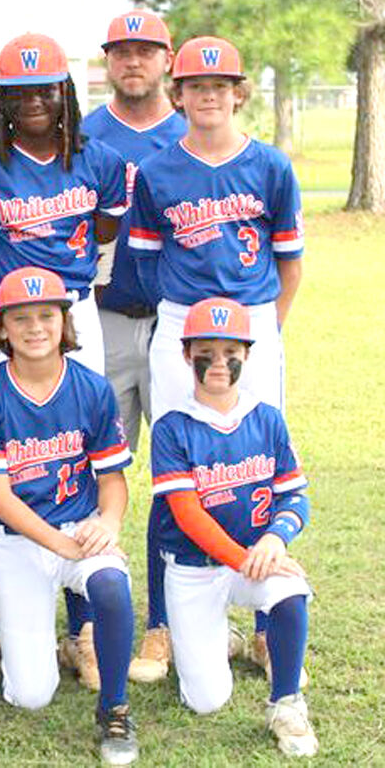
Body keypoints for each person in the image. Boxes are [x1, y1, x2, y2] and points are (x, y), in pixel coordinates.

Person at [0, 32, 127, 689]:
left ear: (65, 91)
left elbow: (103, 234)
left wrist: (71, 305)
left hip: (73, 311)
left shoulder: (96, 160)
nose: (35, 103)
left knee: (75, 453)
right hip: (1, 314)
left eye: (45, 89)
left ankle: (85, 629)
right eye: (19, 93)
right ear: (2, 100)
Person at [128, 36, 306, 686]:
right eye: (196, 86)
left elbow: (290, 262)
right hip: (183, 322)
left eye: (220, 84)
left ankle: (262, 626)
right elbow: (146, 263)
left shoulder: (270, 165)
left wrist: (266, 329)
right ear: (178, 94)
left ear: (239, 91)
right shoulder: (157, 171)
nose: (208, 95)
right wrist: (180, 320)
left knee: (255, 463)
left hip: (253, 321)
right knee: (179, 469)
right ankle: (162, 626)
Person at [0, 266, 139, 766]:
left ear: (65, 321)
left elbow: (112, 480)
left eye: (46, 315)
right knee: (32, 693)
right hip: (16, 541)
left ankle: (115, 707)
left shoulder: (92, 389)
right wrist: (61, 545)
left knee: (109, 583)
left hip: (79, 526)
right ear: (2, 328)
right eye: (21, 318)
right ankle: (41, 647)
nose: (35, 328)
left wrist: (108, 524)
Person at [150, 297, 315, 757]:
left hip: (251, 559)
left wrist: (274, 538)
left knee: (290, 589)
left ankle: (286, 703)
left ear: (248, 354)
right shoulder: (172, 427)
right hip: (194, 570)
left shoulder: (266, 417)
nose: (219, 362)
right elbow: (188, 514)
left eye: (231, 351)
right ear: (186, 354)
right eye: (206, 350)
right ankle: (215, 637)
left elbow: (296, 496)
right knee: (205, 701)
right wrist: (246, 557)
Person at [80, 10, 188, 685]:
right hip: (107, 317)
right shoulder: (84, 133)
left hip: (180, 323)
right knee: (95, 471)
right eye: (121, 50)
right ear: (108, 60)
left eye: (145, 50)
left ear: (167, 59)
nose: (133, 61)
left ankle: (169, 623)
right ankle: (89, 622)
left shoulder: (192, 132)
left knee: (181, 477)